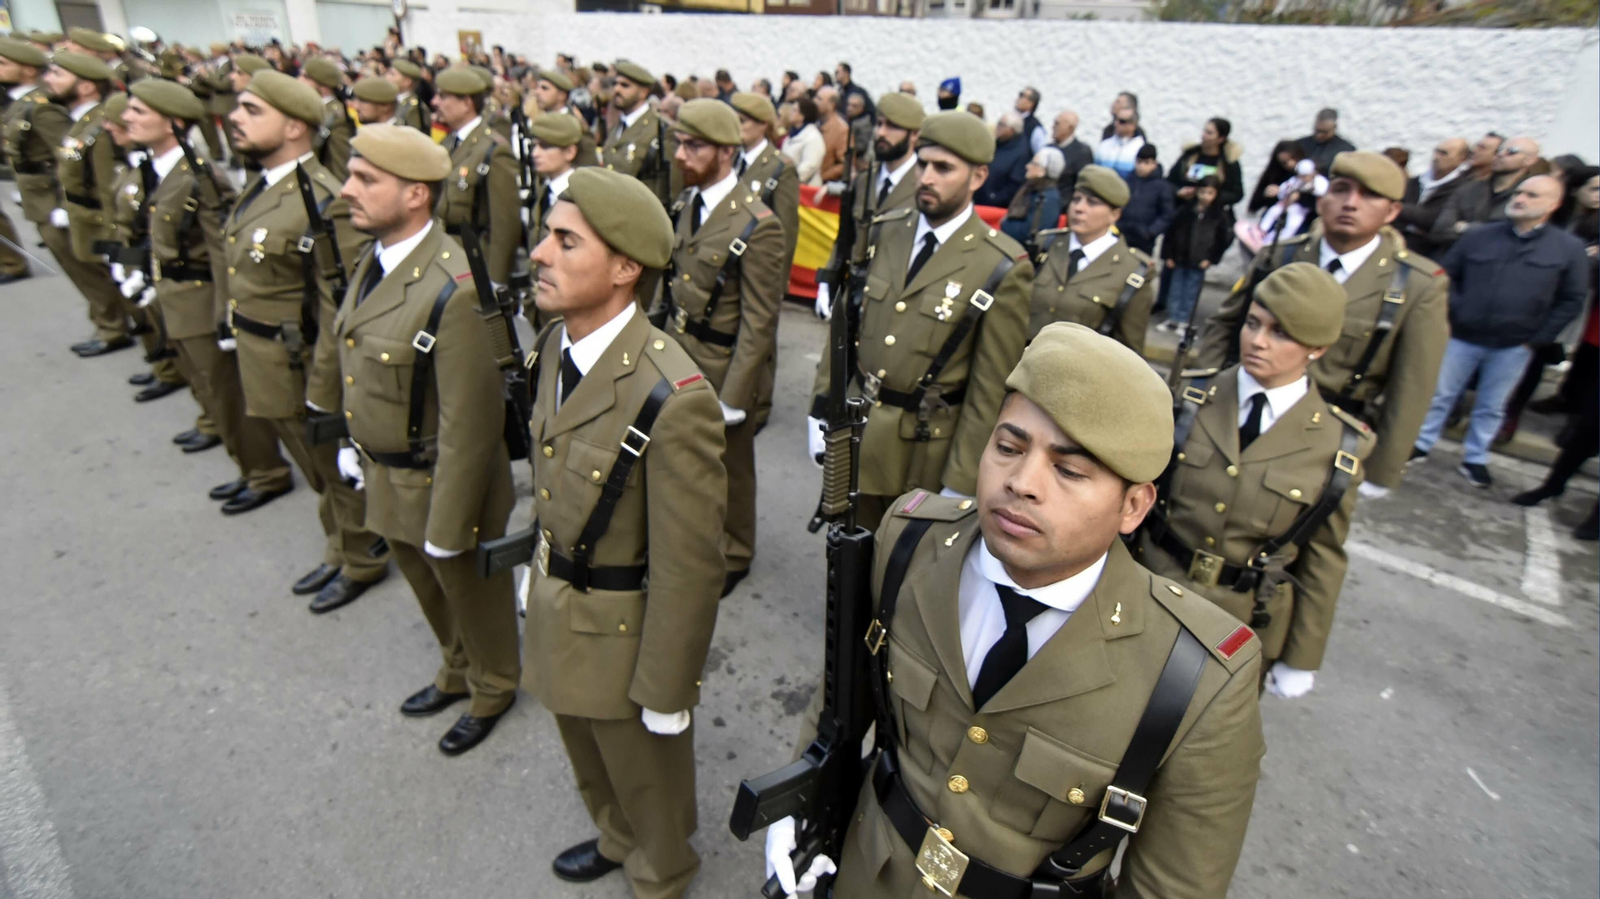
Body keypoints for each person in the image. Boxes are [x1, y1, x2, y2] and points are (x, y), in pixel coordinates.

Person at [767, 322, 1265, 899]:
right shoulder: (909, 541)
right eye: (1008, 447)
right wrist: (802, 794)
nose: (1022, 482)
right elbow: (843, 692)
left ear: (1133, 505)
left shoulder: (1196, 676)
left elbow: (1173, 887)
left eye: (1069, 470)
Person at [524, 167, 727, 899]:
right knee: (585, 750)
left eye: (566, 241)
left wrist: (667, 687)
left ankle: (661, 870)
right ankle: (616, 836)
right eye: (547, 234)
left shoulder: (672, 396)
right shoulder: (556, 344)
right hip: (558, 605)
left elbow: (690, 565)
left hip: (622, 635)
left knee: (643, 771)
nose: (539, 253)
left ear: (624, 269)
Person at [327, 124, 521, 754]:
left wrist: (451, 524)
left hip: (442, 482)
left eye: (366, 179)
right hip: (388, 470)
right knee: (428, 588)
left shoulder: (454, 288)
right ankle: (457, 668)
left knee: (471, 593)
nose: (347, 189)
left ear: (415, 195)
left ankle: (494, 685)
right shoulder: (379, 257)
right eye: (351, 175)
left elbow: (471, 425)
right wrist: (350, 441)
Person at [1142, 263, 1374, 700]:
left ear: (1318, 348)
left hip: (1241, 622)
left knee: (1202, 733)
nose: (1258, 341)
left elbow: (1322, 559)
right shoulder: (1189, 399)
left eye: (1280, 333)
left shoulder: (1336, 444)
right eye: (1252, 323)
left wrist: (1301, 657)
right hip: (1151, 589)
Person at [806, 111, 1034, 530]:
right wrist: (822, 405)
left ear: (978, 177)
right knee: (845, 548)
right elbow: (846, 328)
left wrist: (963, 479)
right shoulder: (885, 230)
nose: (926, 177)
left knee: (903, 561)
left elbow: (988, 389)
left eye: (943, 168)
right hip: (856, 430)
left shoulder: (1000, 265)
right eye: (923, 163)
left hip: (922, 454)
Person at [1187, 151, 1449, 498]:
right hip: (1244, 410)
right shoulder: (1280, 255)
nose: (1351, 203)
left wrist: (1381, 470)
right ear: (1323, 199)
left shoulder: (1417, 285)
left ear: (1392, 212)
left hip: (1328, 437)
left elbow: (1413, 384)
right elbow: (1225, 325)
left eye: (1369, 195)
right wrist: (1204, 398)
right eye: (1341, 189)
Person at [224, 70, 388, 608]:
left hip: (299, 363)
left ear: (295, 127)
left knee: (333, 470)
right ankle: (340, 545)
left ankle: (361, 558)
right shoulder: (265, 185)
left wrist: (325, 390)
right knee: (315, 468)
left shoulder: (323, 200)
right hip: (264, 354)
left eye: (252, 110)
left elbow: (340, 306)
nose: (234, 118)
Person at [128, 79, 297, 513]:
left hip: (202, 301)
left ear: (173, 122)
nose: (128, 118)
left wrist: (226, 313)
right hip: (174, 298)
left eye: (139, 111)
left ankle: (265, 472)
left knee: (228, 395)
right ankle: (247, 466)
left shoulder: (198, 178)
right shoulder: (160, 169)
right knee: (208, 390)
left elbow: (223, 251)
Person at [660, 99, 786, 595]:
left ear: (726, 152)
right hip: (679, 349)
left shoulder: (757, 223)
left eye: (694, 146)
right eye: (679, 143)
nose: (681, 155)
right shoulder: (687, 203)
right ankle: (687, 534)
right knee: (680, 455)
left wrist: (735, 395)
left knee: (730, 467)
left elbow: (760, 320)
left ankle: (735, 549)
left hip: (721, 362)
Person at [1410, 175, 1589, 488]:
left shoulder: (1568, 248)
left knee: (1492, 406)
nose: (1520, 198)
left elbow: (1572, 299)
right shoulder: (1479, 236)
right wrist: (1457, 310)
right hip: (1462, 335)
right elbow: (1445, 275)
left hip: (1515, 344)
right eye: (1519, 192)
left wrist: (1539, 337)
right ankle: (1422, 442)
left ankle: (1475, 457)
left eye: (1531, 195)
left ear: (1553, 204)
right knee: (1440, 394)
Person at [100, 91, 190, 404]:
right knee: (148, 318)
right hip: (139, 255)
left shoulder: (180, 173)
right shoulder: (141, 165)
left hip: (165, 267)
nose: (120, 123)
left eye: (137, 113)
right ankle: (164, 368)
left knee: (202, 368)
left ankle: (170, 371)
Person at [44, 52, 135, 359]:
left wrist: (115, 235)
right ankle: (116, 329)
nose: (48, 79)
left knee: (125, 285)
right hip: (83, 217)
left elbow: (110, 188)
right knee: (102, 280)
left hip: (99, 221)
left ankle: (152, 349)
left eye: (57, 74)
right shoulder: (83, 122)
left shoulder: (99, 126)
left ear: (85, 87)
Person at [812, 91, 923, 322]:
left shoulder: (923, 186)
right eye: (879, 124)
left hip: (896, 305)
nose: (881, 133)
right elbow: (846, 238)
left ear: (915, 135)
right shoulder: (864, 180)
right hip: (853, 297)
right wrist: (826, 281)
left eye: (893, 127)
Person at [1025, 165, 1155, 352]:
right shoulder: (1045, 244)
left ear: (1115, 215)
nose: (1079, 208)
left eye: (1092, 203)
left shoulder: (1132, 269)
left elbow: (1128, 351)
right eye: (1076, 199)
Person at [731, 91, 801, 433]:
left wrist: (777, 282)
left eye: (743, 121)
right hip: (730, 262)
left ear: (763, 125)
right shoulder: (732, 159)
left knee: (761, 333)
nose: (737, 126)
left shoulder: (780, 167)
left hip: (762, 265)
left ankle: (760, 403)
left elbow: (786, 229)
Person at [432, 66, 520, 286]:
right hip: (444, 257)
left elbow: (504, 225)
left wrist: (495, 280)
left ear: (466, 103)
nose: (435, 102)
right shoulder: (449, 142)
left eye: (443, 96)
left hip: (472, 262)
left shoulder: (493, 149)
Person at [1160, 175, 1234, 332]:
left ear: (1216, 194)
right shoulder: (1186, 210)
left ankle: (1184, 319)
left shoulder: (1219, 215)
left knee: (1191, 291)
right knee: (1176, 289)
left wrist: (1211, 258)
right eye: (1202, 192)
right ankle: (1172, 318)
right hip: (1180, 257)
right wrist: (1169, 255)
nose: (1205, 196)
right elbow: (1171, 233)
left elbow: (1223, 240)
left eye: (1210, 193)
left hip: (1199, 260)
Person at [1434, 136, 1539, 238]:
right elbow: (1440, 230)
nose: (1500, 154)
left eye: (1511, 151)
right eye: (1499, 150)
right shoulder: (1469, 189)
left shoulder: (1528, 196)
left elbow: (1513, 235)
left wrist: (1465, 227)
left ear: (1529, 160)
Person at [600, 60, 672, 206]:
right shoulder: (618, 127)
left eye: (625, 85)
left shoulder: (659, 128)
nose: (617, 89)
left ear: (643, 92)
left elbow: (669, 186)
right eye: (615, 83)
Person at [1397, 137, 1470, 259]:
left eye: (1444, 153)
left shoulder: (1462, 187)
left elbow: (1434, 220)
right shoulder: (1416, 181)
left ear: (1460, 159)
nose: (1436, 157)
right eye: (1436, 151)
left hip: (1428, 253)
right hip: (1397, 243)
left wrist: (1400, 208)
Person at [529, 66, 598, 169]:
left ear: (561, 95)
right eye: (537, 87)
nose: (537, 92)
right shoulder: (542, 120)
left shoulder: (574, 123)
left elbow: (588, 162)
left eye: (544, 88)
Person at [1168, 117, 1244, 210]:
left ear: (1221, 139)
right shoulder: (1190, 155)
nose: (1203, 136)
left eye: (1209, 133)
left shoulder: (1229, 162)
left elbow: (1237, 194)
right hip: (1183, 209)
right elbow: (1169, 181)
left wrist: (1212, 196)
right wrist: (1178, 191)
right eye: (1204, 131)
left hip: (1213, 214)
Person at [298, 57, 353, 182]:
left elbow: (340, 166)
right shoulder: (313, 108)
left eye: (306, 77)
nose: (299, 80)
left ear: (323, 85)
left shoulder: (337, 116)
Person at [1000, 146, 1063, 249]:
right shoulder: (1033, 190)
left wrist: (1006, 224)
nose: (1027, 166)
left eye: (1033, 163)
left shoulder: (1049, 198)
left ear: (1042, 171)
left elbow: (1032, 232)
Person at [1118, 143, 1176, 256]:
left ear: (1154, 164)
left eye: (1146, 163)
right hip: (1122, 233)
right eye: (1139, 162)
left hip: (1144, 240)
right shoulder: (1128, 181)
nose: (1141, 166)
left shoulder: (1162, 187)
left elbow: (1167, 214)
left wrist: (1150, 232)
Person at [974, 111, 1029, 209]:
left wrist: (994, 198)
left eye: (1001, 124)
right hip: (979, 197)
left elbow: (1015, 184)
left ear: (1011, 130)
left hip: (994, 206)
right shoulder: (998, 143)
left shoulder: (1021, 153)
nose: (997, 127)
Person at [1246, 140, 1306, 217]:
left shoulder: (1311, 173)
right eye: (1284, 163)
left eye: (1293, 158)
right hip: (1278, 216)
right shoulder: (1276, 174)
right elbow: (1254, 205)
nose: (1290, 164)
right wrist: (1266, 194)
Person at [778, 96, 823, 187]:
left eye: (794, 110)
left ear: (803, 116)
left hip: (805, 187)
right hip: (786, 182)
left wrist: (789, 179)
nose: (790, 112)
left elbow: (810, 165)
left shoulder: (813, 137)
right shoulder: (791, 135)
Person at [1295, 107, 1355, 175]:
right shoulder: (1300, 144)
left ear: (1334, 128)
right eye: (1317, 131)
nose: (1319, 135)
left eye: (1324, 132)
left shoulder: (1346, 150)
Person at [1049, 109, 1093, 196]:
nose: (1053, 127)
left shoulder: (1082, 152)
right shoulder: (1048, 148)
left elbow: (1083, 183)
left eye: (1057, 123)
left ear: (1070, 127)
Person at [1093, 106, 1143, 178]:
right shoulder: (1103, 146)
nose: (1116, 124)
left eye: (1122, 121)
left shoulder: (1140, 148)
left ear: (1133, 125)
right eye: (1115, 120)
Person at [385, 58, 430, 132]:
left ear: (407, 82)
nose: (387, 77)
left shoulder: (413, 108)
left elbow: (414, 135)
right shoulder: (392, 100)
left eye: (392, 74)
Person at [815, 85, 848, 184]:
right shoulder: (814, 123)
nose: (814, 101)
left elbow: (844, 164)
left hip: (823, 186)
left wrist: (822, 176)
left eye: (819, 99)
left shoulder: (842, 130)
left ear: (831, 104)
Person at [1014, 85, 1046, 155]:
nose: (1019, 98)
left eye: (1022, 96)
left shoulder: (1035, 128)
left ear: (1031, 103)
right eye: (1020, 95)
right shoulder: (1010, 119)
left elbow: (1040, 153)